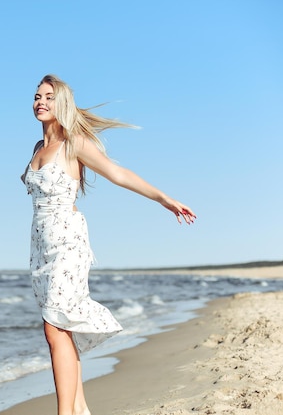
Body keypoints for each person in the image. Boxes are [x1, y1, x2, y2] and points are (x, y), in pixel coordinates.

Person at [21, 74, 196, 415]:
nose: (40, 101)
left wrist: (164, 199)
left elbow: (118, 173)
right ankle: (80, 408)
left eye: (49, 97)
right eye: (37, 96)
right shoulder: (37, 149)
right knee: (60, 328)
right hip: (39, 246)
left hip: (67, 241)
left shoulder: (75, 143)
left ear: (63, 104)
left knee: (55, 326)